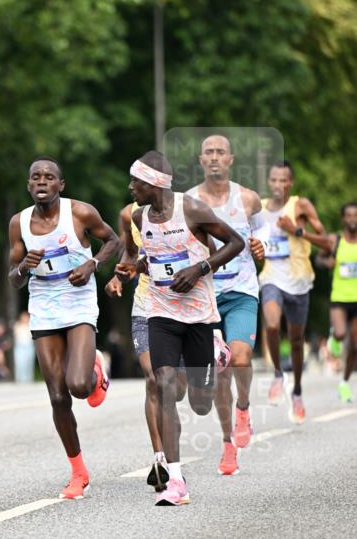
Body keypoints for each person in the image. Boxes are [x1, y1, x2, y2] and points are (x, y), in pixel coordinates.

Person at [113, 151, 244, 507]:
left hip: (199, 315)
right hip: (161, 312)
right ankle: (176, 480)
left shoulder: (193, 209)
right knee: (166, 387)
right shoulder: (139, 217)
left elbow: (235, 243)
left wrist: (200, 268)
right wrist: (135, 268)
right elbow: (153, 258)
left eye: (135, 181)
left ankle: (216, 357)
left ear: (154, 183)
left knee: (201, 403)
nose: (130, 187)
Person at [8, 158, 119, 499]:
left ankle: (94, 369)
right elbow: (13, 280)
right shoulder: (19, 223)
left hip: (79, 302)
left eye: (49, 177)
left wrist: (93, 263)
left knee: (79, 387)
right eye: (35, 177)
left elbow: (115, 241)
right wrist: (23, 269)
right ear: (29, 186)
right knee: (57, 396)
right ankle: (78, 472)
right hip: (43, 307)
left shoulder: (81, 213)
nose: (42, 181)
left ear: (61, 185)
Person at [186, 135, 265, 476]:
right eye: (209, 153)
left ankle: (244, 408)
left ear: (231, 159)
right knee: (218, 373)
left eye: (220, 152)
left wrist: (261, 251)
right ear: (200, 160)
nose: (215, 157)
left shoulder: (248, 199)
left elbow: (260, 242)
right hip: (203, 295)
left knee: (240, 357)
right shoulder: (187, 201)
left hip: (241, 290)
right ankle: (228, 444)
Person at [106, 199, 187, 493]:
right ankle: (161, 460)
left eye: (137, 182)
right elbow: (129, 250)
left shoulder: (184, 209)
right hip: (145, 306)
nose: (132, 188)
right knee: (154, 380)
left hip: (181, 307)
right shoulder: (128, 213)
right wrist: (118, 276)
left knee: (175, 389)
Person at [258, 161, 328, 422]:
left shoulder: (300, 205)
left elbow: (326, 241)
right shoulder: (261, 208)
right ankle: (278, 374)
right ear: (269, 182)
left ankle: (297, 392)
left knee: (297, 342)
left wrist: (297, 231)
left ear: (291, 183)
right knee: (273, 327)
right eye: (274, 180)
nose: (278, 185)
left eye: (283, 180)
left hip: (299, 281)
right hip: (272, 278)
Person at [315, 202, 357, 402]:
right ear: (343, 219)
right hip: (339, 298)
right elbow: (319, 260)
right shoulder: (335, 240)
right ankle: (335, 337)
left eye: (355, 215)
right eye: (348, 215)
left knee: (355, 347)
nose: (352, 219)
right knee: (340, 333)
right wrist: (327, 262)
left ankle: (344, 383)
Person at [13, 311, 36, 383]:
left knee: (29, 362)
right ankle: (19, 379)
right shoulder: (17, 325)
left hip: (29, 346)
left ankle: (28, 379)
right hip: (19, 346)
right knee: (19, 363)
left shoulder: (31, 325)